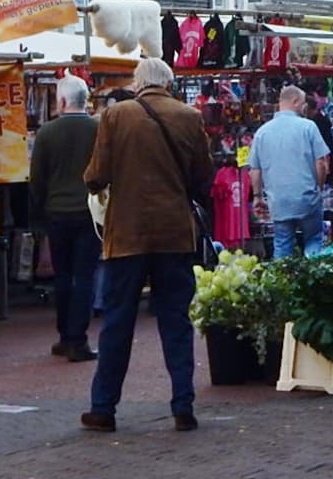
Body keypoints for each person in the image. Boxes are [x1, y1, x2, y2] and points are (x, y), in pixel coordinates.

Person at [80, 57, 212, 434]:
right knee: (175, 320)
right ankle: (182, 404)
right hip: (173, 233)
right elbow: (203, 175)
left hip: (127, 234)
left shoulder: (117, 115)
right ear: (168, 83)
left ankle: (103, 408)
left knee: (118, 322)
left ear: (138, 82)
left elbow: (96, 175)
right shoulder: (189, 116)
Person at [30, 76, 101, 363]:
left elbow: (37, 178)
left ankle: (64, 336)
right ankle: (78, 339)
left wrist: (42, 208)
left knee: (63, 276)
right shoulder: (98, 129)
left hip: (57, 212)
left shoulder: (47, 132)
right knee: (85, 276)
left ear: (60, 101)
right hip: (90, 212)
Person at [247, 85, 331, 259]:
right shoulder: (308, 127)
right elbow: (321, 162)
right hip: (307, 196)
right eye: (302, 103)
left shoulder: (262, 132)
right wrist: (319, 186)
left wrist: (257, 197)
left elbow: (255, 169)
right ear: (294, 101)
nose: (304, 107)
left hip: (279, 200)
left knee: (282, 244)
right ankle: (316, 280)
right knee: (314, 241)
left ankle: (281, 281)